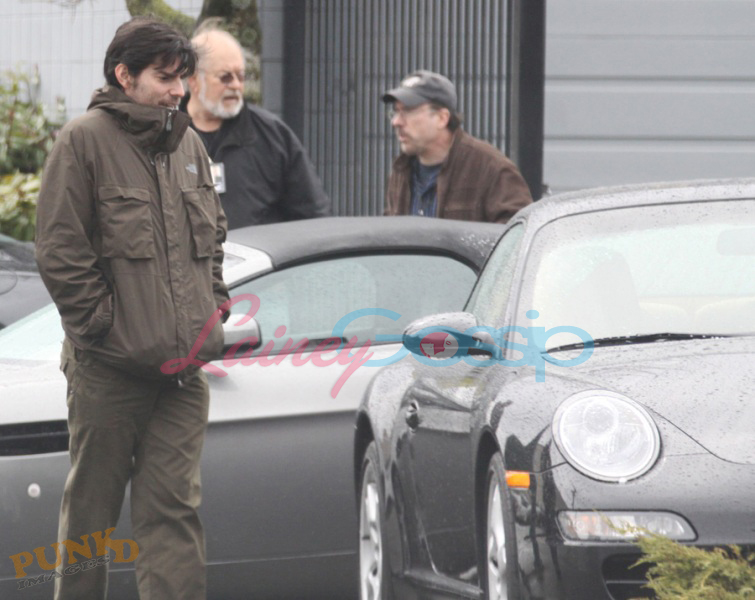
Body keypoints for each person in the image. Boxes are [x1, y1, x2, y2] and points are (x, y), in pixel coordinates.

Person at [35, 17, 229, 600]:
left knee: (174, 515)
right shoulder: (83, 141)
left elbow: (214, 240)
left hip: (182, 376)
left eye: (182, 78)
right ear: (125, 75)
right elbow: (60, 251)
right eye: (165, 78)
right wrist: (102, 328)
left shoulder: (188, 144)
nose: (178, 91)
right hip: (108, 372)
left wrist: (212, 308)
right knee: (90, 519)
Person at [183, 28, 330, 228]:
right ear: (194, 80)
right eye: (225, 77)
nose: (236, 85)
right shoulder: (167, 134)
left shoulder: (272, 135)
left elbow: (314, 213)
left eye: (241, 76)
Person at [382, 69, 532, 222]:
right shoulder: (401, 170)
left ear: (442, 118)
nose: (396, 122)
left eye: (407, 111)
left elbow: (519, 230)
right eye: (395, 112)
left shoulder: (490, 168)